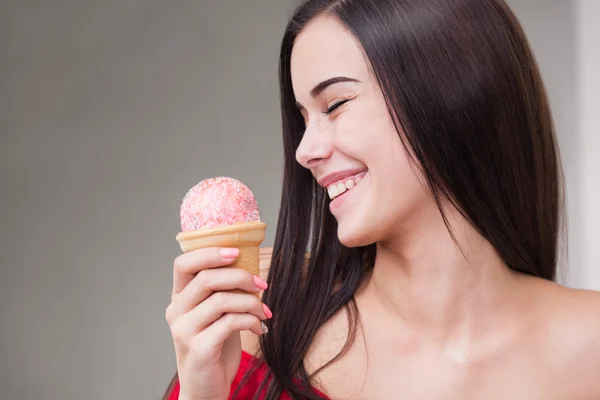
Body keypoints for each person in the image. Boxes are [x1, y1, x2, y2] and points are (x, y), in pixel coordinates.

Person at [163, 0, 600, 399]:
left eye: (334, 104)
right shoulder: (260, 327)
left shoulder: (590, 347)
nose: (304, 150)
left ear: (451, 93)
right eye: (303, 118)